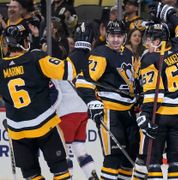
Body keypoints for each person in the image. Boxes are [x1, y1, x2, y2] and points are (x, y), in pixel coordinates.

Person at [0, 24, 76, 179]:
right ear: (24, 42)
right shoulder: (36, 58)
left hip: (18, 129)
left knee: (31, 174)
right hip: (44, 126)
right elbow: (69, 71)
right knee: (60, 170)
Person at [133, 2, 178, 179]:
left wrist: (144, 115)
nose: (147, 43)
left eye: (150, 39)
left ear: (158, 41)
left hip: (160, 114)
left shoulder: (149, 58)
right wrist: (170, 15)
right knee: (177, 165)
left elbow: (153, 93)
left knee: (153, 163)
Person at [76, 20, 139, 180]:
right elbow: (84, 80)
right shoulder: (100, 53)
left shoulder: (129, 54)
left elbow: (135, 82)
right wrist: (91, 101)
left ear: (125, 36)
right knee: (113, 157)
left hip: (130, 113)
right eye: (112, 36)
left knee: (129, 160)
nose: (116, 40)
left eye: (119, 36)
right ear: (107, 36)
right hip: (110, 112)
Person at [54, 22, 99, 180]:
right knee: (80, 149)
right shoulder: (92, 60)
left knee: (65, 152)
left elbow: (55, 91)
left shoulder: (65, 64)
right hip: (82, 111)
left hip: (66, 112)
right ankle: (93, 177)